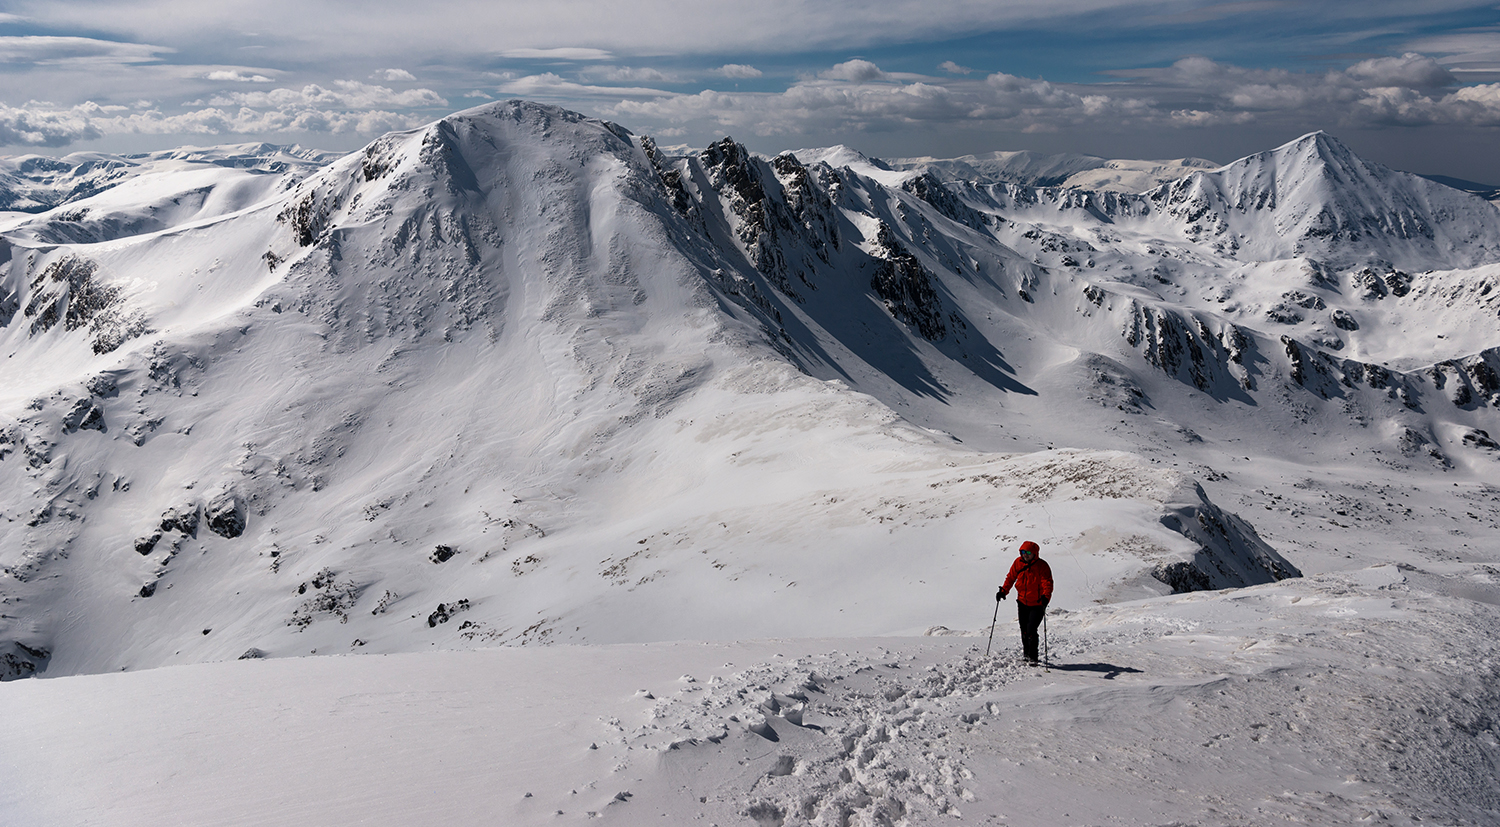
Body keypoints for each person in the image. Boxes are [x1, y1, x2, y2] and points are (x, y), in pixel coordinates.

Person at [997, 540, 1054, 665]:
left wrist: (1046, 597)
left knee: (1031, 630)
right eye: (1023, 552)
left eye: (1028, 552)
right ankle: (1026, 655)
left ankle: (1033, 657)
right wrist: (1003, 591)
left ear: (1035, 553)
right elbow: (1011, 577)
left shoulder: (1042, 566)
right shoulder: (1018, 563)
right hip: (1022, 601)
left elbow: (1047, 583)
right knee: (1023, 630)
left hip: (1038, 604)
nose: (1025, 555)